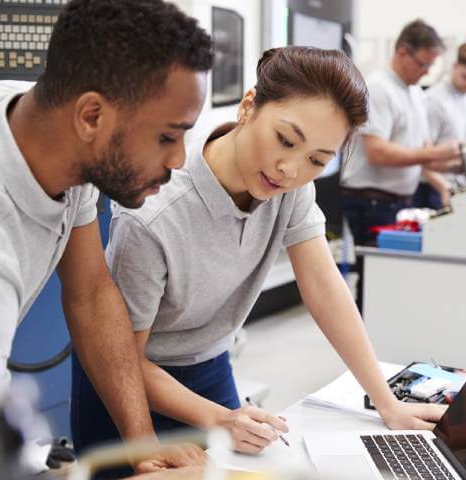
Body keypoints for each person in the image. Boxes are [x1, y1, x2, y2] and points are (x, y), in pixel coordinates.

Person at [71, 46, 446, 458]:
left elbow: (325, 290)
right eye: (285, 140)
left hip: (210, 365)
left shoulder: (291, 189)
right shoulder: (156, 213)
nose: (290, 170)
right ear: (249, 106)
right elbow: (121, 357)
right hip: (127, 382)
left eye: (317, 160)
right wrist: (217, 419)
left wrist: (387, 403)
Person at [0, 0, 212, 475]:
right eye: (167, 136)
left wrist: (141, 446)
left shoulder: (47, 129)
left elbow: (91, 293)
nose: (180, 160)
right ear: (92, 117)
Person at [338, 19, 461, 311]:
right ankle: (366, 345)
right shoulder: (379, 89)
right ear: (403, 52)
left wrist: (455, 166)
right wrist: (435, 154)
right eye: (423, 64)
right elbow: (379, 152)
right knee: (375, 281)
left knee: (393, 282)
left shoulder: (416, 93)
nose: (427, 72)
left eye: (431, 66)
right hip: (370, 200)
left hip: (397, 200)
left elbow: (420, 153)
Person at [414, 42, 466, 210]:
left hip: (462, 186)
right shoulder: (434, 101)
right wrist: (443, 188)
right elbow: (418, 157)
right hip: (433, 189)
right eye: (465, 77)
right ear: (454, 66)